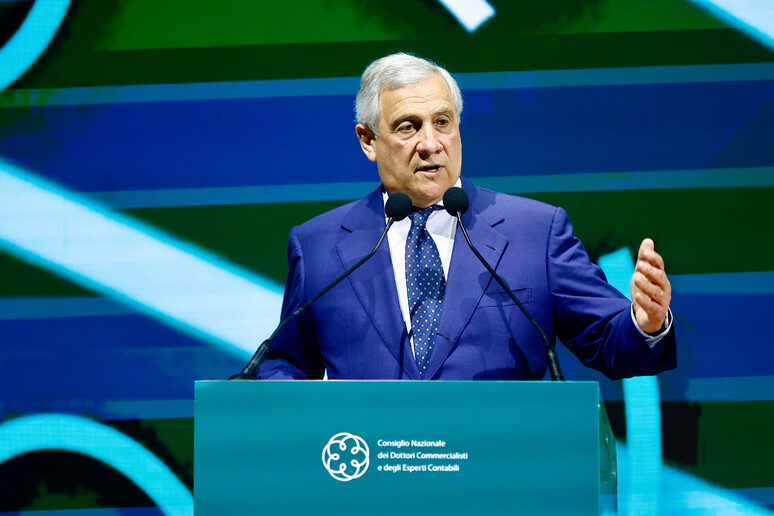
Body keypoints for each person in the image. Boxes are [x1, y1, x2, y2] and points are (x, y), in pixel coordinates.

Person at [258, 53, 675, 380]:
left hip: (499, 460)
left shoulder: (536, 232)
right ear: (368, 140)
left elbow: (607, 340)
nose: (430, 143)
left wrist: (646, 324)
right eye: (408, 127)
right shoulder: (318, 246)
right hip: (369, 462)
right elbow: (285, 364)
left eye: (442, 122)